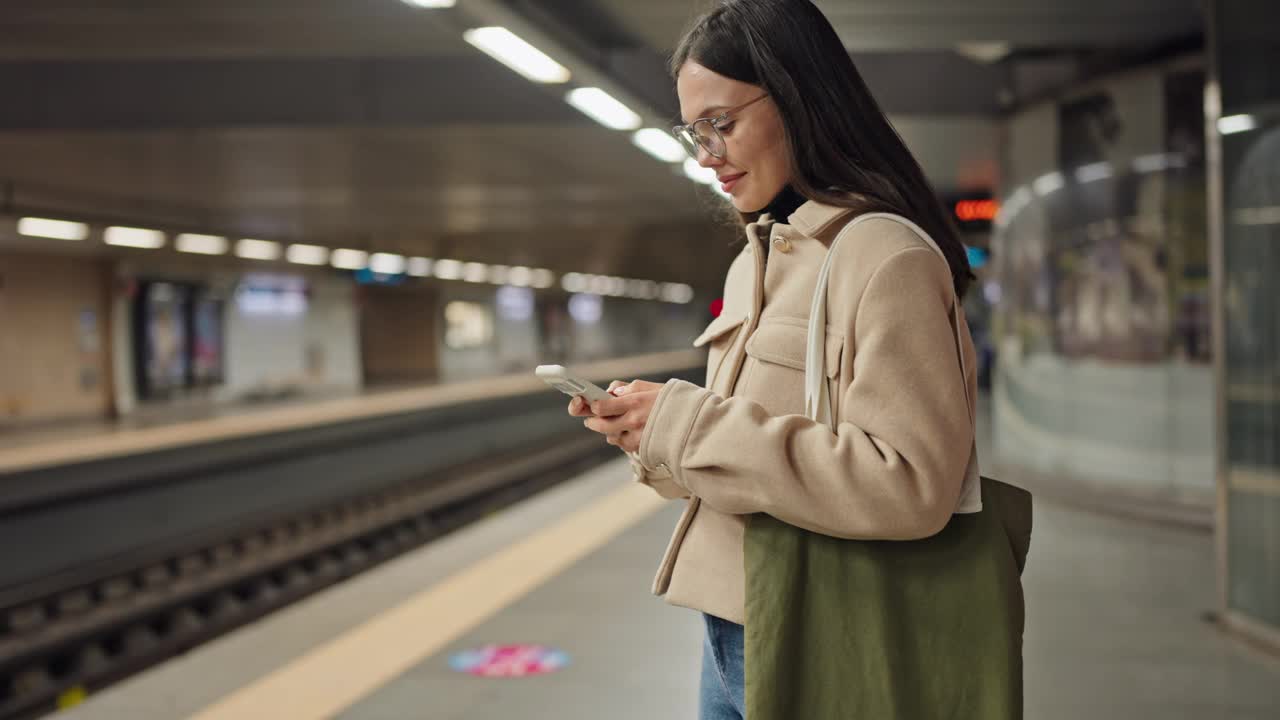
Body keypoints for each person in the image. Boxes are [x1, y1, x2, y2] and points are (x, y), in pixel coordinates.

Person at [568, 2, 1028, 718]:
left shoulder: (886, 256)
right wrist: (651, 432)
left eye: (722, 123)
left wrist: (692, 426)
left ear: (799, 100)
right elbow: (755, 466)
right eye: (694, 131)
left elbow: (910, 484)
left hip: (820, 627)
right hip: (730, 624)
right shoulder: (754, 261)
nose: (706, 154)